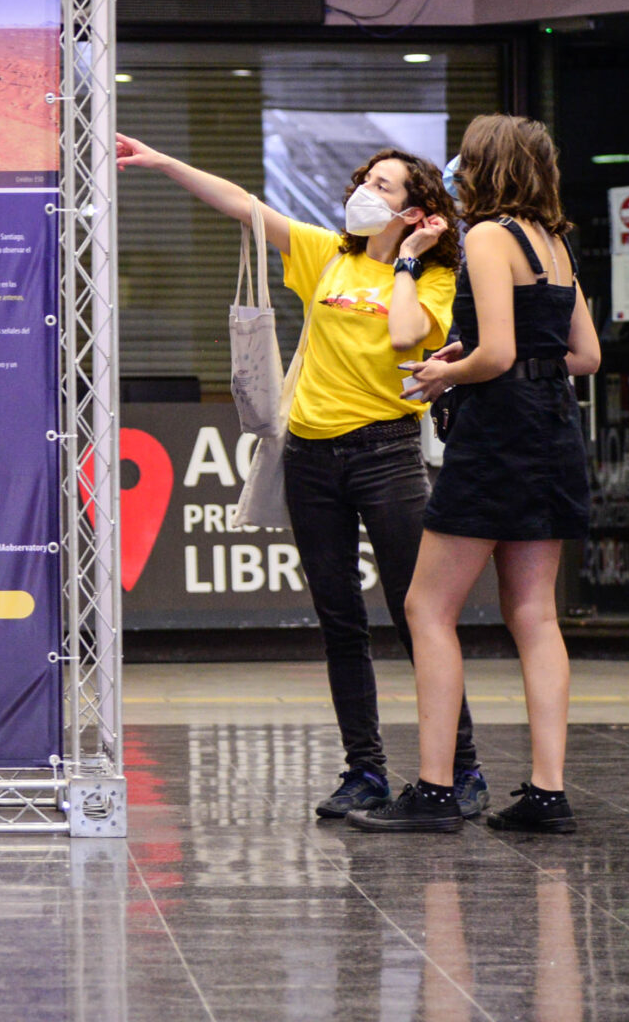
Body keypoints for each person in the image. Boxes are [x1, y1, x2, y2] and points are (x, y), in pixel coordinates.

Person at [114, 135, 487, 820]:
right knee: (338, 620)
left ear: (417, 211)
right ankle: (364, 771)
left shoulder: (433, 279)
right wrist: (166, 163)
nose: (365, 193)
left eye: (386, 186)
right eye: (365, 180)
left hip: (387, 456)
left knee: (419, 617)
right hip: (313, 460)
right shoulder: (325, 256)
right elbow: (245, 208)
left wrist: (405, 261)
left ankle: (461, 769)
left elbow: (408, 337)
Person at [351, 114, 601, 835]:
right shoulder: (554, 244)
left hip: (497, 435)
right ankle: (547, 794)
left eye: (466, 157)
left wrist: (444, 373)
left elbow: (492, 354)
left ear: (488, 166)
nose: (456, 168)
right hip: (552, 429)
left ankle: (434, 788)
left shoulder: (491, 238)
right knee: (535, 614)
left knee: (429, 609)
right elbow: (584, 356)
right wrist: (511, 357)